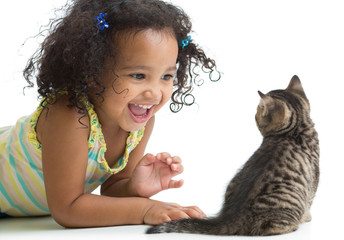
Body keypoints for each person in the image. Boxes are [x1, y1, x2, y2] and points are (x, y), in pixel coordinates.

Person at [0, 0, 219, 227]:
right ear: (91, 71)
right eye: (138, 75)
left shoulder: (140, 121)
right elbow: (67, 208)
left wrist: (134, 186)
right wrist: (145, 209)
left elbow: (113, 189)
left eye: (166, 76)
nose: (155, 93)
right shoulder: (70, 115)